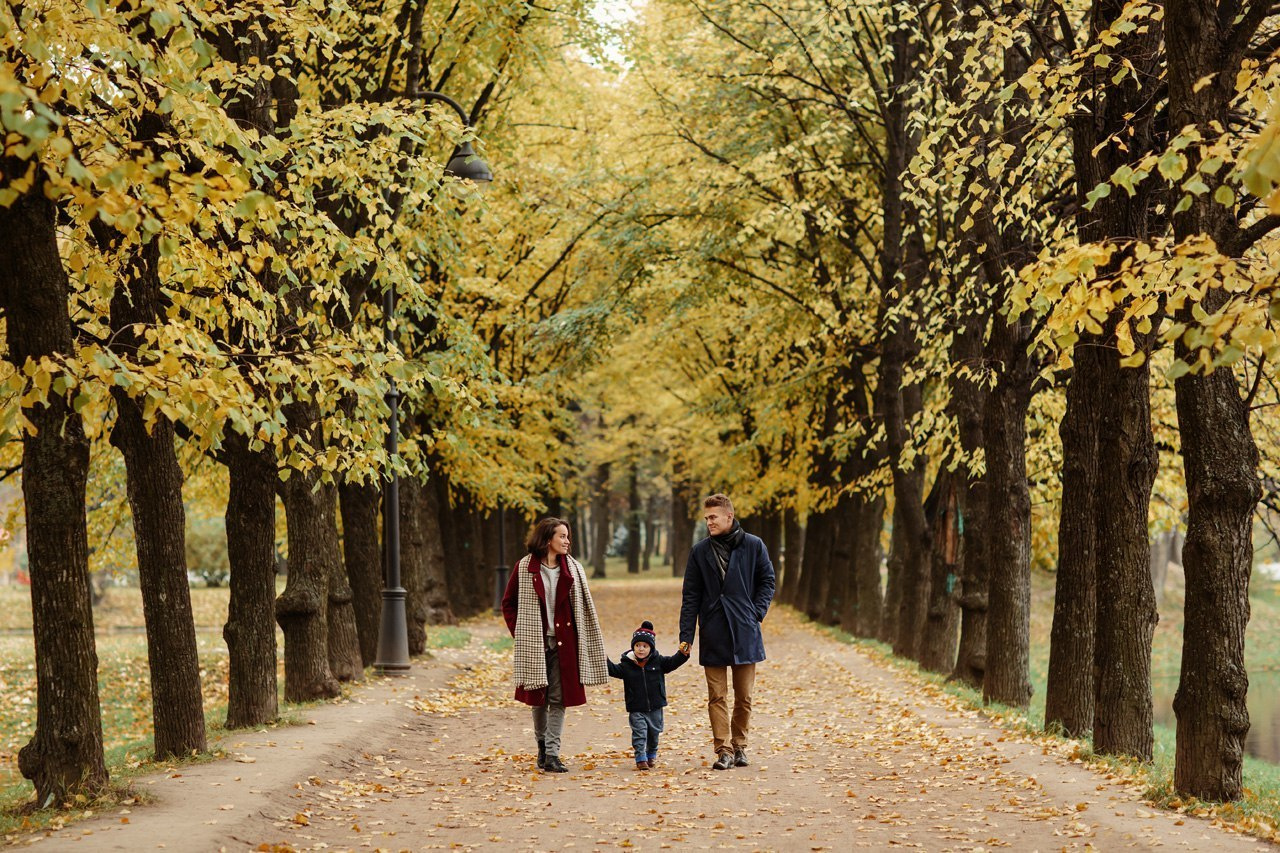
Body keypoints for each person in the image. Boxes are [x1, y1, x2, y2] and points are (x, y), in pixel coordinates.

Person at [678, 494, 776, 770]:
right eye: (706, 518)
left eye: (713, 517)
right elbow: (691, 596)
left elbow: (767, 580)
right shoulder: (700, 551)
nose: (709, 522)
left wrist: (756, 612)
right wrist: (686, 636)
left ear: (729, 516)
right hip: (713, 630)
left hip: (745, 630)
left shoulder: (753, 545)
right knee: (717, 696)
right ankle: (723, 750)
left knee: (744, 696)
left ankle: (740, 745)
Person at [502, 517, 608, 773]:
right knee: (538, 697)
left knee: (559, 699)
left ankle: (552, 753)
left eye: (567, 536)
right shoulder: (525, 567)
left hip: (565, 644)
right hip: (536, 644)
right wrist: (521, 633)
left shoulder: (573, 569)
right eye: (562, 536)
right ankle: (541, 745)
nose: (567, 541)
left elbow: (582, 607)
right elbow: (508, 603)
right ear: (548, 538)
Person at [607, 621, 689, 770]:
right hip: (636, 707)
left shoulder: (659, 662)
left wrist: (683, 654)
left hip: (656, 706)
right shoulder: (627, 665)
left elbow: (673, 662)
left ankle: (651, 755)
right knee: (640, 733)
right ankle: (640, 758)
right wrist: (602, 659)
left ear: (651, 648)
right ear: (633, 647)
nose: (641, 649)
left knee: (654, 734)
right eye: (638, 645)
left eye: (645, 646)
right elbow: (613, 670)